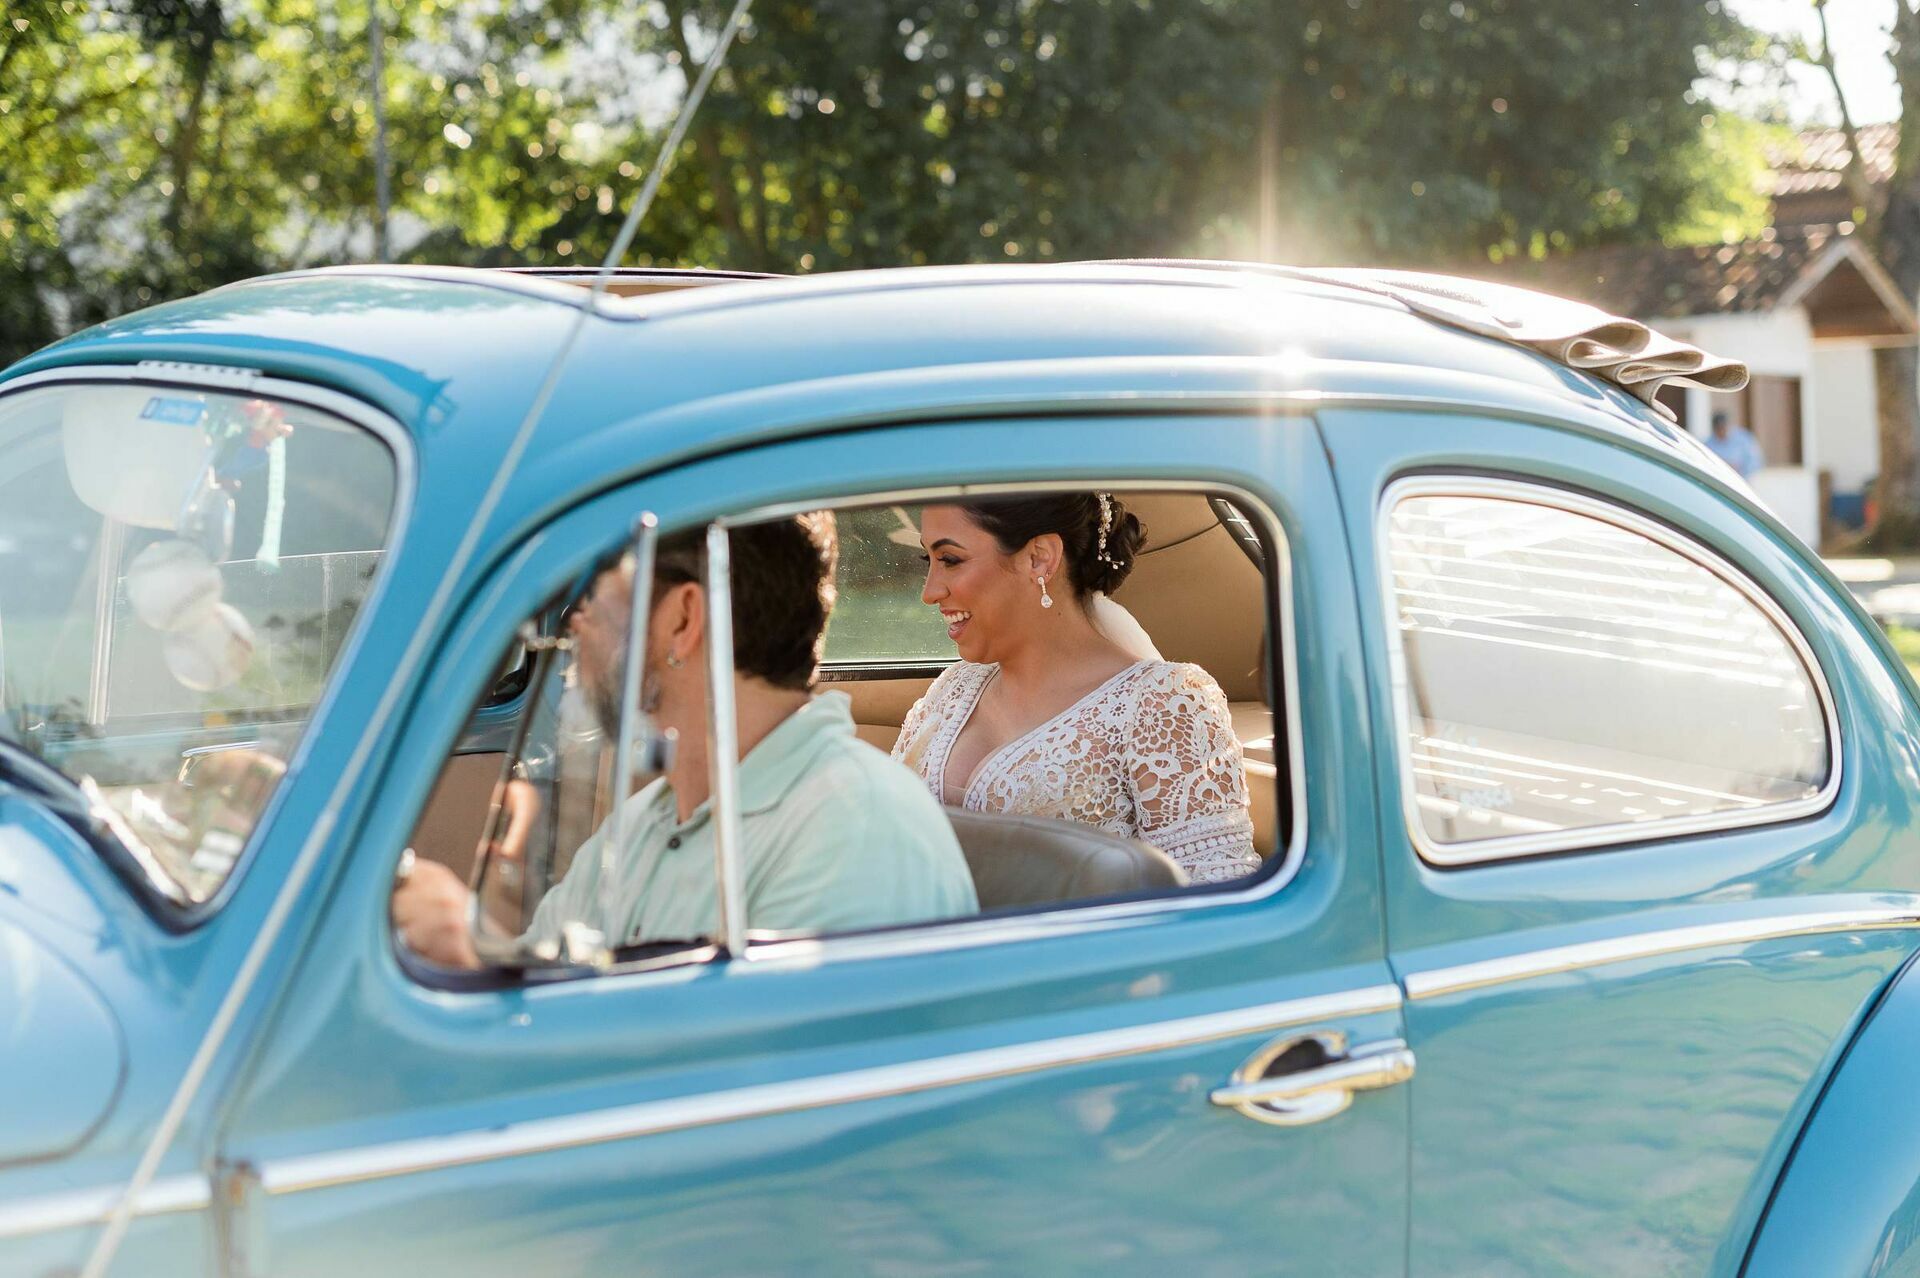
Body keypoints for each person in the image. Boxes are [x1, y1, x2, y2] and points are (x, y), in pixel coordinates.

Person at [393, 513, 978, 968]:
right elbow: (551, 986)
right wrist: (476, 949)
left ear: (682, 619)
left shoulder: (860, 835)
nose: (575, 622)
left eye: (592, 591)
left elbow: (742, 1075)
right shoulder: (646, 820)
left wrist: (469, 954)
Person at [892, 493, 1260, 884]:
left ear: (1039, 558)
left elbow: (1215, 891)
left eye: (950, 560)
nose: (929, 592)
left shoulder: (1164, 702)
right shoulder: (955, 688)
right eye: (928, 561)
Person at [1706, 411, 1765, 479]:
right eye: (1718, 429)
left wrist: (1740, 469)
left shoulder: (1744, 439)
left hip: (1743, 480)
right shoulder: (1708, 444)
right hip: (1718, 480)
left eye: (1723, 428)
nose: (1721, 431)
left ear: (1729, 426)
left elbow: (1756, 461)